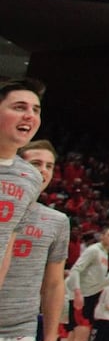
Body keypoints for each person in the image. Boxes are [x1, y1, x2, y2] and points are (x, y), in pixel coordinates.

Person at [0, 139, 68, 341]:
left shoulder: (56, 221)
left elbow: (53, 285)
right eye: (35, 163)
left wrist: (49, 340)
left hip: (19, 333)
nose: (42, 171)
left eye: (49, 165)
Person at [0, 79, 46, 296]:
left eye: (35, 110)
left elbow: (7, 243)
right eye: (19, 107)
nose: (30, 115)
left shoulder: (31, 178)